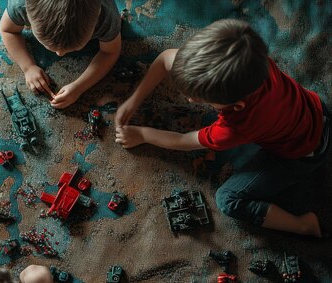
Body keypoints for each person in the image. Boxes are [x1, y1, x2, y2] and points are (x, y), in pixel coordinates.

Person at [114, 19, 330, 238]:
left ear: (237, 106)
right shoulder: (252, 55)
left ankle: (303, 225)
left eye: (199, 98)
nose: (189, 100)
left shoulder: (236, 126)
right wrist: (134, 101)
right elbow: (164, 59)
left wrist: (142, 134)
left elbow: (184, 141)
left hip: (303, 154)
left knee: (227, 200)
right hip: (318, 108)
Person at [0, 0, 121, 109]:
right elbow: (7, 30)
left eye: (74, 48)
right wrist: (28, 67)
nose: (59, 54)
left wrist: (79, 87)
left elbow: (110, 51)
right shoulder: (20, 4)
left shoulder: (107, 14)